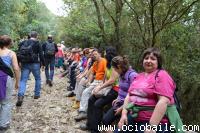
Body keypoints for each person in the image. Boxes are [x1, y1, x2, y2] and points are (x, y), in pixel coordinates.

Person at [117, 47, 176, 133]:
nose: (148, 61)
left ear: (158, 62)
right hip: (133, 117)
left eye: (153, 59)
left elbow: (163, 101)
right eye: (146, 58)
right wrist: (124, 114)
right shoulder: (138, 76)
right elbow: (129, 95)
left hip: (152, 121)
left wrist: (152, 127)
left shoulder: (162, 75)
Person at [80, 47, 120, 132]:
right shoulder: (108, 64)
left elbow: (112, 80)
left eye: (105, 53)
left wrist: (101, 87)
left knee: (98, 104)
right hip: (108, 88)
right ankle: (89, 124)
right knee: (91, 99)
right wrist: (98, 87)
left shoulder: (116, 64)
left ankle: (95, 129)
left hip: (115, 90)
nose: (104, 54)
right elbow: (105, 79)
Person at [101, 55, 137, 133]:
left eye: (114, 68)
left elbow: (133, 95)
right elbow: (121, 89)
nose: (114, 70)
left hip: (128, 106)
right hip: (119, 102)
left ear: (118, 67)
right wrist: (117, 98)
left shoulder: (132, 75)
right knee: (105, 121)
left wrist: (121, 108)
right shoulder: (121, 74)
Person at [74, 48, 107, 121]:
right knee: (85, 89)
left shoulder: (104, 61)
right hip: (95, 81)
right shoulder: (95, 63)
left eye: (95, 54)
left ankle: (84, 111)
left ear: (100, 54)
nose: (94, 56)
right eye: (93, 55)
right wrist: (89, 81)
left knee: (87, 92)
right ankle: (82, 109)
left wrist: (102, 83)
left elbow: (106, 72)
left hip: (100, 81)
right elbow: (92, 73)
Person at [16, 31, 45, 107]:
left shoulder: (23, 42)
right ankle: (36, 94)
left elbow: (18, 52)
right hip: (35, 63)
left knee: (23, 80)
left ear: (30, 35)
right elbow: (41, 54)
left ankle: (20, 96)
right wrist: (43, 64)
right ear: (36, 36)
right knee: (38, 79)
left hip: (25, 63)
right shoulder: (38, 43)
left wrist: (18, 62)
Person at [0, 35, 20, 130]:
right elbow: (16, 68)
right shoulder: (11, 53)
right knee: (6, 102)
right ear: (9, 43)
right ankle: (3, 124)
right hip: (5, 77)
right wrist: (17, 82)